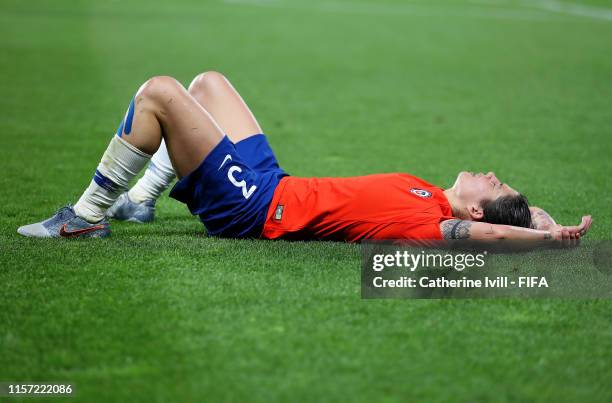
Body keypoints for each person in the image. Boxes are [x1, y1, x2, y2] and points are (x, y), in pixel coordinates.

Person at [17, 72, 592, 246]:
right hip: (274, 183)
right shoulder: (428, 192)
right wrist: (540, 217)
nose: (491, 174)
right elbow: (505, 222)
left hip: (255, 208)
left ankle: (86, 216)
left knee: (159, 94)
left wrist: (541, 241)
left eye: (495, 186)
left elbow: (489, 238)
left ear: (475, 214)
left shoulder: (430, 224)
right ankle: (141, 201)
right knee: (208, 84)